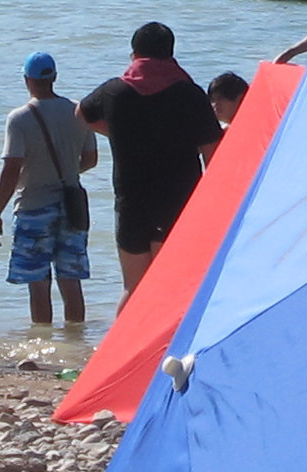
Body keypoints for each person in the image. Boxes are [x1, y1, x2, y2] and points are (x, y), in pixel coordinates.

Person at [83, 23, 222, 296]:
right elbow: (213, 155)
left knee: (133, 290)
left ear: (134, 54)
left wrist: (118, 134)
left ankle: (125, 328)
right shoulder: (190, 95)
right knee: (172, 291)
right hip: (178, 202)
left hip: (131, 203)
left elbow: (82, 113)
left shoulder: (114, 92)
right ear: (171, 55)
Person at [0, 52, 97, 328]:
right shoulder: (79, 112)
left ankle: (43, 341)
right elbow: (90, 159)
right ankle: (75, 340)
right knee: (71, 280)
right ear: (54, 77)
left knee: (38, 284)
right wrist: (68, 173)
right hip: (71, 205)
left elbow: (11, 169)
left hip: (33, 206)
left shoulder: (19, 118)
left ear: (26, 80)